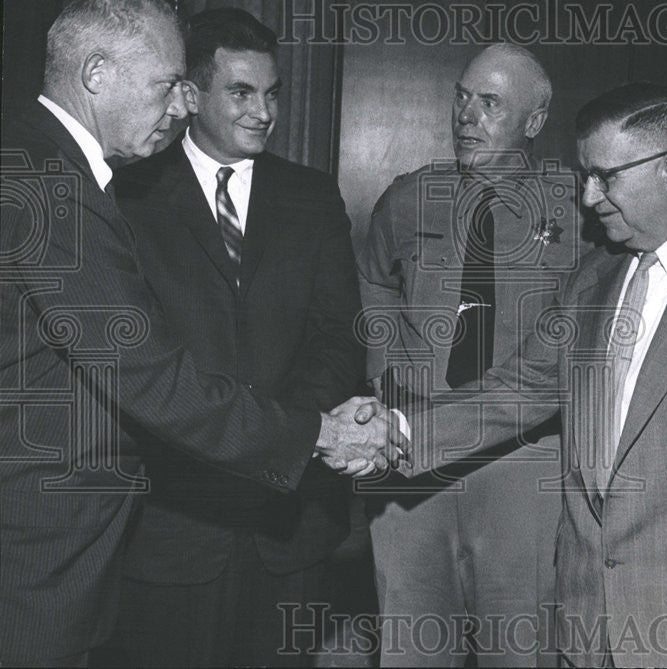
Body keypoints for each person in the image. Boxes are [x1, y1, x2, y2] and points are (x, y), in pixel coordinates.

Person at [0, 1, 394, 665]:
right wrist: (320, 431)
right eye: (164, 86)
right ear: (96, 73)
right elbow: (147, 374)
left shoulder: (36, 158)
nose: (179, 107)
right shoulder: (53, 183)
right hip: (42, 537)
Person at [379, 82, 667, 666]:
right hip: (588, 624)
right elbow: (521, 389)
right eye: (585, 175)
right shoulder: (592, 279)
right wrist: (394, 434)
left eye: (605, 177)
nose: (588, 196)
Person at [89, 9, 364, 666]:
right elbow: (131, 368)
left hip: (288, 527)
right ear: (191, 94)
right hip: (169, 527)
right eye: (242, 92)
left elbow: (340, 342)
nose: (263, 111)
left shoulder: (312, 196)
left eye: (272, 93)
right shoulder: (124, 195)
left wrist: (280, 439)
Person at [356, 43, 587, 666]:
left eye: (490, 103)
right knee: (412, 640)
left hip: (522, 456)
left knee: (519, 643)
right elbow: (374, 280)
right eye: (462, 97)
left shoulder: (579, 207)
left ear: (533, 123)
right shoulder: (408, 198)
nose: (467, 115)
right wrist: (386, 369)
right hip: (412, 449)